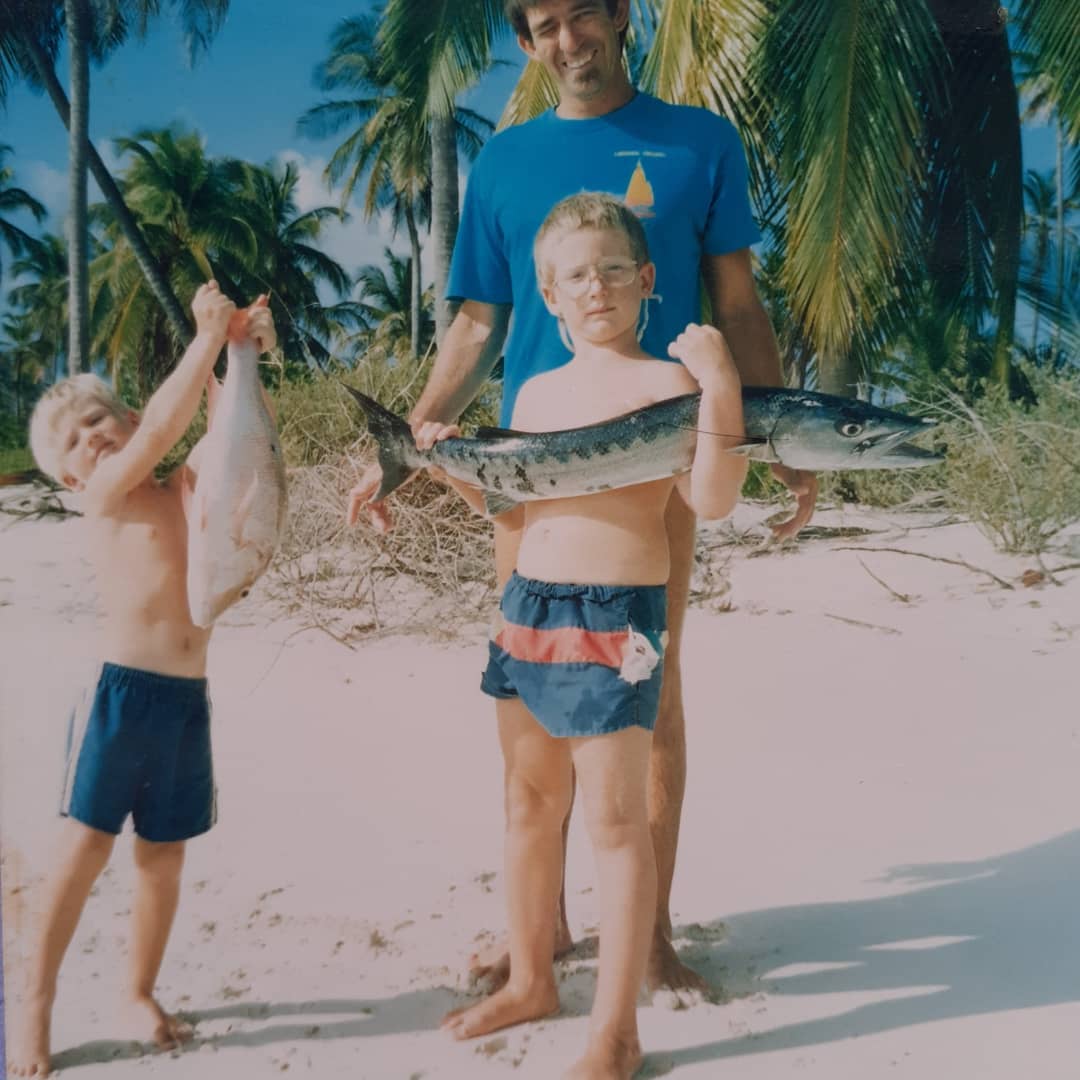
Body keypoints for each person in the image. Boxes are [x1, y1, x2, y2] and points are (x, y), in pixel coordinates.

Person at [348, 0, 817, 999]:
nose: (569, 41)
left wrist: (777, 439)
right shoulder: (505, 162)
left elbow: (737, 300)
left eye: (585, 15)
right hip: (531, 471)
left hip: (658, 460)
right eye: (545, 24)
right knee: (534, 694)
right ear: (526, 41)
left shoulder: (701, 142)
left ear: (621, 18)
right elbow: (479, 321)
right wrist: (412, 433)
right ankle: (548, 928)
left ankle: (646, 938)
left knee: (654, 694)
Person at [435, 192, 749, 1078]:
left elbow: (714, 499)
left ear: (647, 281)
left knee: (614, 823)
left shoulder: (669, 383)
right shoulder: (534, 391)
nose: (597, 285)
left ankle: (616, 1032)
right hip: (528, 607)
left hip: (617, 619)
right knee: (528, 804)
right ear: (548, 294)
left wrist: (721, 383)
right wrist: (446, 456)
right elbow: (517, 502)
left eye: (614, 268)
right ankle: (532, 975)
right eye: (577, 274)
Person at [9, 282, 276, 1078]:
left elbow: (229, 440)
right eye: (73, 439)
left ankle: (137, 988)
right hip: (118, 695)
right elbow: (164, 424)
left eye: (100, 419)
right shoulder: (106, 494)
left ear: (123, 419)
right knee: (84, 848)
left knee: (163, 858)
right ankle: (33, 1002)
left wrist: (240, 348)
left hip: (185, 702)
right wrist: (200, 341)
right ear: (65, 478)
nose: (91, 437)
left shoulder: (178, 485)